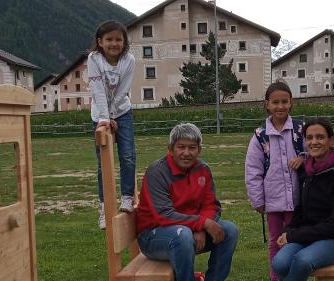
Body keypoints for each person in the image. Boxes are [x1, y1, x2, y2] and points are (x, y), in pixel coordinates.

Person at [136, 123, 238, 281]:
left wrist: (201, 228)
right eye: (181, 147)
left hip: (188, 230)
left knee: (229, 230)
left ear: (199, 150)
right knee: (182, 236)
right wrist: (202, 224)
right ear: (170, 148)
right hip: (153, 236)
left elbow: (211, 205)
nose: (186, 153)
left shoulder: (203, 169)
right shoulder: (157, 172)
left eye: (192, 147)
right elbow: (164, 215)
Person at [272, 117, 334, 281]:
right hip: (309, 236)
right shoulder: (307, 170)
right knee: (279, 263)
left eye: (320, 137)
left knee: (302, 261)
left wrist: (294, 236)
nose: (314, 142)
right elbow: (302, 209)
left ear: (331, 140)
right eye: (309, 138)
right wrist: (289, 231)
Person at [245, 81, 305, 281]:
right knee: (274, 241)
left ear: (291, 103)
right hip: (272, 200)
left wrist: (303, 158)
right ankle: (275, 277)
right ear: (267, 104)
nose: (280, 106)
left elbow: (317, 151)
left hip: (296, 198)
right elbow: (253, 170)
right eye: (275, 102)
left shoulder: (300, 131)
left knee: (293, 240)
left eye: (284, 101)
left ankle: (293, 276)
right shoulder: (260, 136)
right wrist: (257, 199)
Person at [87, 20, 136, 229]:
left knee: (127, 155)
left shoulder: (129, 60)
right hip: (99, 114)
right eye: (109, 39)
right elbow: (97, 90)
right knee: (103, 163)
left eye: (118, 39)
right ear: (100, 42)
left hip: (122, 111)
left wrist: (114, 115)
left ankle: (126, 197)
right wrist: (105, 119)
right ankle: (105, 207)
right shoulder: (94, 59)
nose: (114, 43)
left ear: (124, 42)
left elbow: (123, 89)